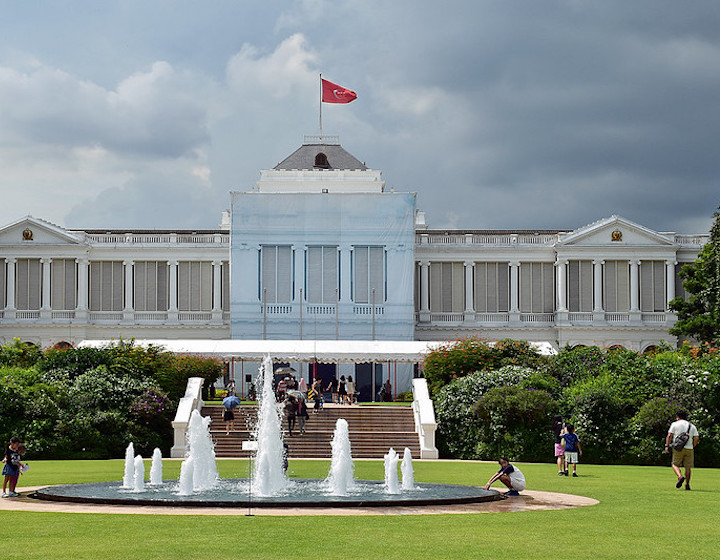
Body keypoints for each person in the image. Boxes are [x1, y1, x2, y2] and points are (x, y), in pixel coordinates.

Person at [665, 410, 699, 490]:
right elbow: (696, 438)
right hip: (689, 448)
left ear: (678, 417)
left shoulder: (675, 424)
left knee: (675, 464)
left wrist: (667, 446)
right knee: (688, 467)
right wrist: (693, 445)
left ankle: (680, 476)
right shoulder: (692, 426)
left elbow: (669, 435)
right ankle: (687, 485)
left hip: (678, 448)